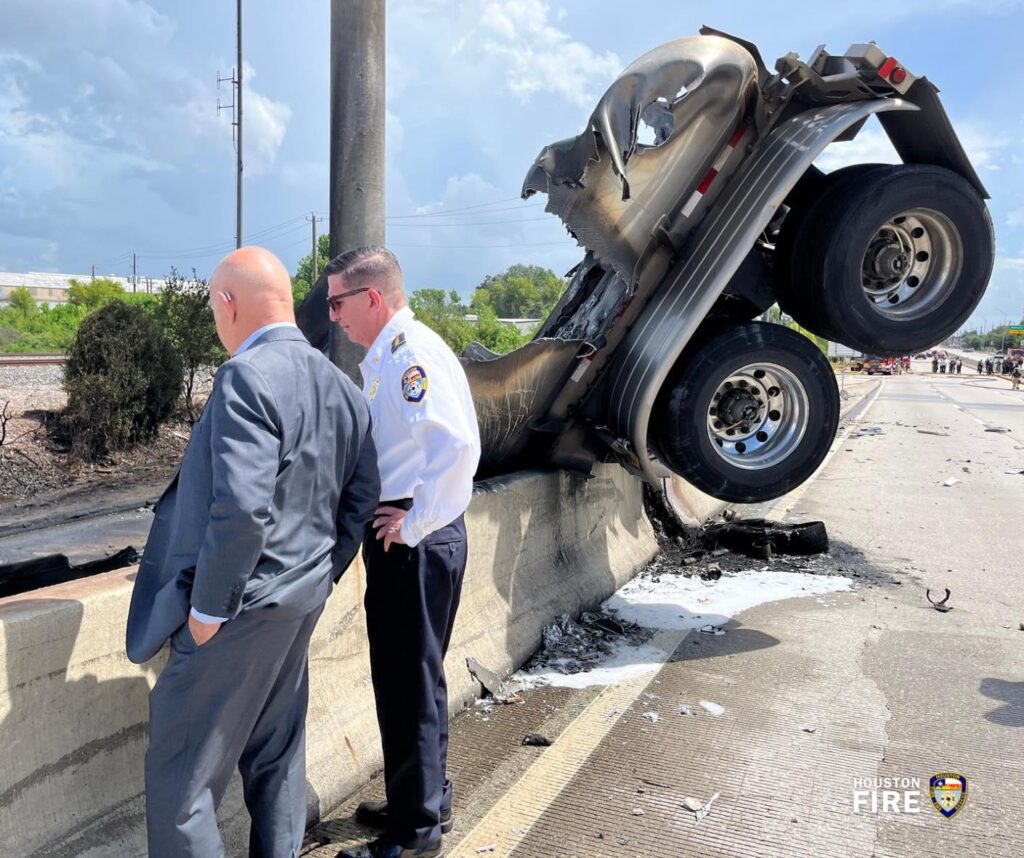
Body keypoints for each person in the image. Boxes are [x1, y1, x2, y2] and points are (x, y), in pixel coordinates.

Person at [126, 247, 379, 858]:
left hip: (235, 613)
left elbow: (240, 507)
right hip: (297, 604)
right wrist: (318, 577)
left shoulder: (245, 375)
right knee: (277, 759)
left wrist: (209, 611)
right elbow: (361, 497)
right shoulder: (342, 387)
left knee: (182, 784)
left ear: (227, 304)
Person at [326, 247, 481, 858]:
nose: (333, 315)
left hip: (413, 541)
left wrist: (413, 523)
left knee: (406, 682)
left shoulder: (408, 356)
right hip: (414, 534)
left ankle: (414, 836)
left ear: (372, 299)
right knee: (416, 676)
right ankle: (425, 796)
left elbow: (457, 449)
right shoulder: (395, 353)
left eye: (338, 301)